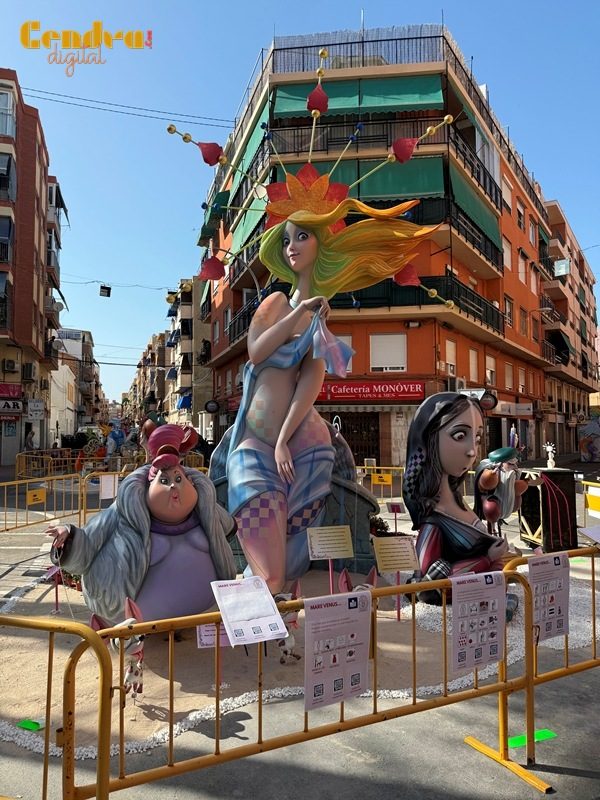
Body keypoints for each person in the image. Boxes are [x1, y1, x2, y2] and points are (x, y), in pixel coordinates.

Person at [225, 165, 437, 594]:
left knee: (291, 559)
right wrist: (300, 313)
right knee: (269, 568)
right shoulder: (276, 302)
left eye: (302, 236)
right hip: (253, 446)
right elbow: (257, 351)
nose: (291, 247)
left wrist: (284, 438)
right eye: (287, 239)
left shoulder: (320, 317)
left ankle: (279, 617)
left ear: (322, 243)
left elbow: (311, 380)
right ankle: (261, 606)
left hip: (302, 449)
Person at [46, 424, 237, 625]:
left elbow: (230, 527)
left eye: (179, 478)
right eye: (164, 481)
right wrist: (68, 535)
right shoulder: (124, 513)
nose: (174, 485)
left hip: (203, 616)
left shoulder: (205, 511)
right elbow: (89, 542)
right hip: (141, 626)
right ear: (146, 489)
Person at [402, 392, 514, 604]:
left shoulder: (457, 500)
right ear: (429, 438)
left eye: (477, 439)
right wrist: (487, 558)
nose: (472, 451)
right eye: (460, 435)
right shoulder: (433, 522)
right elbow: (424, 589)